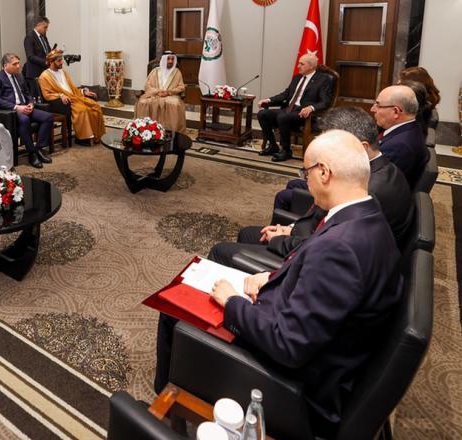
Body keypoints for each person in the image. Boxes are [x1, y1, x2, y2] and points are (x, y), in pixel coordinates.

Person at [155, 130, 403, 437]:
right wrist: (271, 278)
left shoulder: (339, 249)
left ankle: (163, 411)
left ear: (324, 172)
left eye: (306, 172)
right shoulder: (367, 216)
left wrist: (232, 301)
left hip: (295, 390)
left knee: (173, 311)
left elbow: (288, 345)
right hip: (313, 346)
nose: (305, 180)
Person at [211, 107, 414, 267]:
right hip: (309, 239)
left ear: (361, 148)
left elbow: (323, 246)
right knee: (247, 234)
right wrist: (289, 229)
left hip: (310, 260)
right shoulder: (381, 170)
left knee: (220, 251)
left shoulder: (366, 193)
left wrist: (279, 239)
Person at [256, 55, 334, 162]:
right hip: (288, 109)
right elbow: (285, 94)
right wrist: (268, 100)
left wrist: (311, 108)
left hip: (303, 113)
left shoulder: (323, 80)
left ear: (311, 66)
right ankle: (273, 146)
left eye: (302, 64)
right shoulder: (297, 78)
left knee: (283, 117)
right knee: (262, 114)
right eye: (299, 63)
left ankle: (286, 150)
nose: (298, 66)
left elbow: (325, 101)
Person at [0, 53, 54, 168]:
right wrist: (16, 107)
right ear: (5, 65)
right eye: (15, 64)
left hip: (25, 107)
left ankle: (38, 149)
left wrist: (31, 103)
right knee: (24, 120)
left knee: (48, 117)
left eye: (18, 63)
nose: (18, 66)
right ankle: (32, 153)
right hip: (10, 111)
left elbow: (27, 93)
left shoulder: (19, 76)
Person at [38, 48, 105, 145]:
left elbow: (72, 88)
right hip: (61, 103)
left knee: (95, 107)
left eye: (61, 60)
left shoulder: (63, 72)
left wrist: (83, 92)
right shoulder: (44, 76)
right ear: (51, 62)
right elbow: (47, 95)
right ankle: (82, 138)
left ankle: (95, 135)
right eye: (59, 61)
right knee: (82, 110)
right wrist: (60, 95)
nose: (62, 62)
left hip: (74, 97)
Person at [371, 85, 429, 189]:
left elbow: (374, 182)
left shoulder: (399, 146)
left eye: (378, 105)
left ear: (396, 112)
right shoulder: (411, 128)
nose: (372, 109)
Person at [134, 51, 187, 135]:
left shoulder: (177, 72)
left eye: (172, 59)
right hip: (154, 95)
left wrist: (169, 92)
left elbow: (181, 87)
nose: (171, 61)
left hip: (171, 95)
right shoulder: (155, 71)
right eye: (168, 59)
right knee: (143, 102)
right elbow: (147, 85)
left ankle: (171, 131)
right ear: (163, 60)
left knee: (175, 104)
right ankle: (144, 128)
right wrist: (157, 92)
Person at [23, 16, 51, 97]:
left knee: (45, 95)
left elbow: (47, 51)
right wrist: (45, 62)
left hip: (44, 71)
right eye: (45, 27)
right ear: (38, 25)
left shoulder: (44, 37)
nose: (46, 29)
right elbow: (30, 56)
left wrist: (54, 54)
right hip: (34, 73)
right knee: (36, 97)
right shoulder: (29, 37)